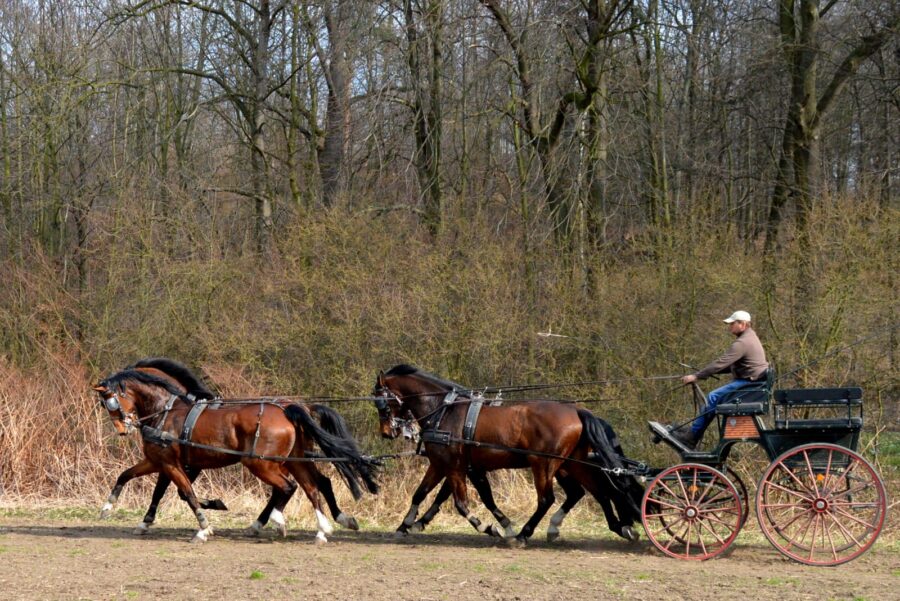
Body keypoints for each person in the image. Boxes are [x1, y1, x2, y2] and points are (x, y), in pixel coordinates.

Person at [651, 310, 769, 450]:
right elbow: (732, 365)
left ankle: (692, 437)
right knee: (713, 398)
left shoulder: (742, 343)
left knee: (712, 397)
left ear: (743, 324)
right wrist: (702, 373)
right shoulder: (750, 338)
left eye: (732, 324)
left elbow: (721, 363)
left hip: (749, 383)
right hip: (754, 382)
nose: (729, 327)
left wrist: (696, 376)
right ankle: (693, 432)